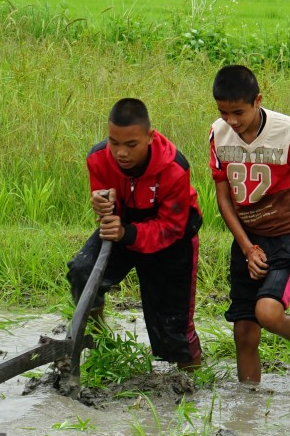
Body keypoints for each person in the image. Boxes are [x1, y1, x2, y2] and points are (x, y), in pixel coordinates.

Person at [208, 64, 290, 387]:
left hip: (286, 238)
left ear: (258, 100)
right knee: (244, 332)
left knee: (268, 312)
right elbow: (224, 199)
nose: (231, 121)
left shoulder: (287, 131)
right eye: (224, 112)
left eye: (238, 112)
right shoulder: (218, 133)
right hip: (249, 240)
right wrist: (247, 248)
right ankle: (247, 407)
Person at [66, 98, 204, 371]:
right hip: (124, 228)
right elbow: (109, 209)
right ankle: (97, 335)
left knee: (173, 329)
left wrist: (126, 233)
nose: (121, 153)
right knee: (82, 270)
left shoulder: (174, 168)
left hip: (172, 239)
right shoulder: (97, 158)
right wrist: (103, 205)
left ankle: (192, 380)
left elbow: (171, 226)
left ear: (150, 137)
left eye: (131, 145)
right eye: (114, 143)